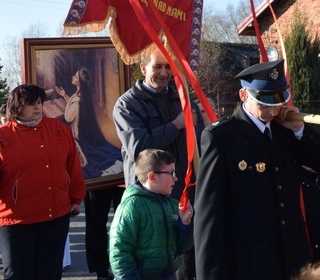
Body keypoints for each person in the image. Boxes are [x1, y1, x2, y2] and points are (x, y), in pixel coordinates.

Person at [194, 59, 320, 279]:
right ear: (244, 96)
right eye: (264, 102)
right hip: (251, 263)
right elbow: (209, 217)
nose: (273, 110)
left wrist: (300, 130)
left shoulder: (286, 131)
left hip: (293, 261)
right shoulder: (223, 138)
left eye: (278, 101)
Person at [113, 49, 204, 280]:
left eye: (168, 67)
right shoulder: (127, 105)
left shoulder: (184, 101)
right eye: (157, 67)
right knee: (154, 259)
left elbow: (202, 145)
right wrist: (176, 125)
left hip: (184, 191)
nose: (163, 73)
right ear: (143, 68)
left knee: (186, 258)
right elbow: (140, 150)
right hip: (149, 199)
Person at [0, 84, 86, 279]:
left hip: (55, 216)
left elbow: (72, 167)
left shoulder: (58, 129)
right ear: (16, 107)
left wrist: (75, 199)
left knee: (50, 272)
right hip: (16, 220)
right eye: (31, 104)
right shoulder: (3, 135)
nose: (37, 107)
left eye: (39, 102)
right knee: (18, 274)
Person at [57, 67, 125, 280]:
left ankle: (101, 268)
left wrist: (65, 99)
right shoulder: (82, 96)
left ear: (79, 80)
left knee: (96, 222)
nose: (72, 76)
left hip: (85, 147)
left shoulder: (77, 100)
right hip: (96, 147)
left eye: (75, 75)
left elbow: (69, 116)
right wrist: (65, 96)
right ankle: (117, 264)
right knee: (114, 220)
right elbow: (74, 105)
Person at [109, 149, 194, 280]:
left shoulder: (171, 204)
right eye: (171, 173)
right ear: (152, 177)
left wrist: (185, 223)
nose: (176, 178)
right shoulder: (132, 206)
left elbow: (182, 247)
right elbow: (119, 252)